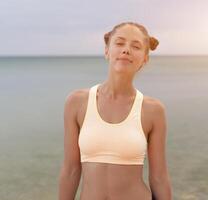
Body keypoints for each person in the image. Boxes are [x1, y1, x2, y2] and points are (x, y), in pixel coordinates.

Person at [58, 21, 172, 200]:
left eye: (135, 46)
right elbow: (71, 171)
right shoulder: (77, 102)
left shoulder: (153, 110)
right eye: (119, 43)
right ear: (106, 51)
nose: (126, 50)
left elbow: (159, 178)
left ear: (145, 59)